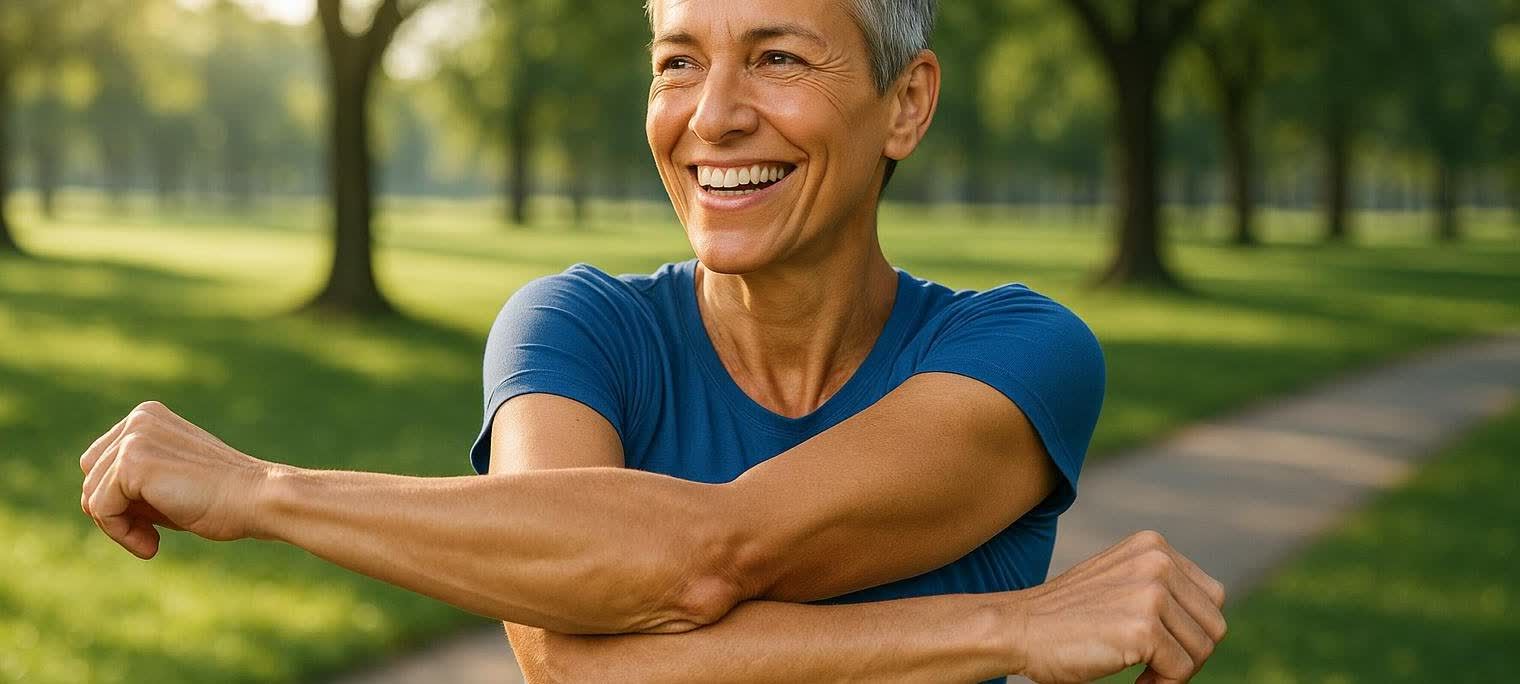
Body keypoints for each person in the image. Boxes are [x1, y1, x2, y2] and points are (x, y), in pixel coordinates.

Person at [77, 0, 1227, 681]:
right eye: (678, 60)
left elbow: (702, 562)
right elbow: (566, 661)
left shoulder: (1021, 351)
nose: (712, 115)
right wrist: (1006, 627)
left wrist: (262, 491)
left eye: (776, 56)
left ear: (906, 104)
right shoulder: (574, 326)